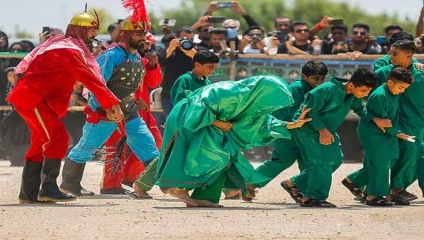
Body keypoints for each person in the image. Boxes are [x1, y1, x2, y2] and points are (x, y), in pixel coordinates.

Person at [8, 6, 122, 204]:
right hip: (34, 98)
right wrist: (112, 103)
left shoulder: (64, 46)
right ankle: (48, 188)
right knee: (58, 138)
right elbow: (89, 78)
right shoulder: (67, 50)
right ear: (81, 30)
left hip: (35, 99)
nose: (94, 35)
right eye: (92, 31)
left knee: (41, 142)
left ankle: (29, 193)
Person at [60, 0, 159, 198]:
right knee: (87, 147)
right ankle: (69, 184)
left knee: (148, 146)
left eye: (144, 33)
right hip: (105, 110)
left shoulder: (136, 57)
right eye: (138, 33)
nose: (143, 37)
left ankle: (145, 185)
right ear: (128, 34)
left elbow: (128, 85)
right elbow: (98, 83)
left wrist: (136, 100)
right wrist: (103, 108)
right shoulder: (112, 55)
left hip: (129, 109)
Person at [154, 75, 311, 207]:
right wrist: (220, 123)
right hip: (188, 118)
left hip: (211, 126)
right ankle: (174, 187)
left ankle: (204, 197)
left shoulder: (254, 105)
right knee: (189, 153)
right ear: (263, 92)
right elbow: (200, 106)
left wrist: (290, 125)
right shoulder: (228, 91)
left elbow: (266, 124)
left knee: (224, 156)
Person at [344, 40, 424, 205]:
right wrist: (372, 118)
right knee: (386, 157)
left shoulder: (423, 74)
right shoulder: (383, 73)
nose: (390, 57)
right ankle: (383, 189)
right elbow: (361, 94)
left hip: (413, 123)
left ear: (409, 56)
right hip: (387, 124)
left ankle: (382, 187)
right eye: (390, 53)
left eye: (395, 54)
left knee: (409, 156)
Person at [280, 68, 378, 207]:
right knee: (322, 161)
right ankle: (313, 197)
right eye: (364, 91)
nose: (366, 94)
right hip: (306, 127)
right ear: (351, 85)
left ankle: (294, 183)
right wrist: (321, 130)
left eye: (368, 91)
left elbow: (359, 109)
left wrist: (375, 119)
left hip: (327, 129)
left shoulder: (353, 94)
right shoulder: (326, 89)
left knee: (335, 160)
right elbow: (309, 111)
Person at [131, 50, 219, 198]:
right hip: (181, 125)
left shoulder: (207, 83)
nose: (213, 71)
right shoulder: (184, 80)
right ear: (197, 65)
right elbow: (181, 102)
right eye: (210, 67)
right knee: (168, 155)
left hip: (197, 125)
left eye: (214, 68)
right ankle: (141, 184)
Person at [99, 32, 164, 194]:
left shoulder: (144, 61)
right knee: (116, 145)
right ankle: (110, 185)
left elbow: (154, 83)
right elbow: (112, 84)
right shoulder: (119, 58)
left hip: (142, 112)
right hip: (120, 108)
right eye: (144, 42)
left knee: (154, 141)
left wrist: (154, 66)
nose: (147, 46)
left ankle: (130, 176)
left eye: (149, 44)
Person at [251, 60, 327, 193]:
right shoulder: (297, 89)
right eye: (316, 78)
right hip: (285, 129)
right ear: (304, 76)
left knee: (307, 159)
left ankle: (304, 190)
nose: (319, 82)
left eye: (322, 78)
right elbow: (298, 113)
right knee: (283, 159)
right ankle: (251, 184)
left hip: (298, 130)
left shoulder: (313, 88)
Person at [345, 67, 415, 206]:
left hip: (386, 132)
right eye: (401, 87)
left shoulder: (393, 93)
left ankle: (354, 180)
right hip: (374, 132)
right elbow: (382, 123)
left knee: (389, 161)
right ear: (390, 82)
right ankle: (373, 196)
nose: (402, 91)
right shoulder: (379, 96)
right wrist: (398, 133)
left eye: (404, 88)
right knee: (380, 163)